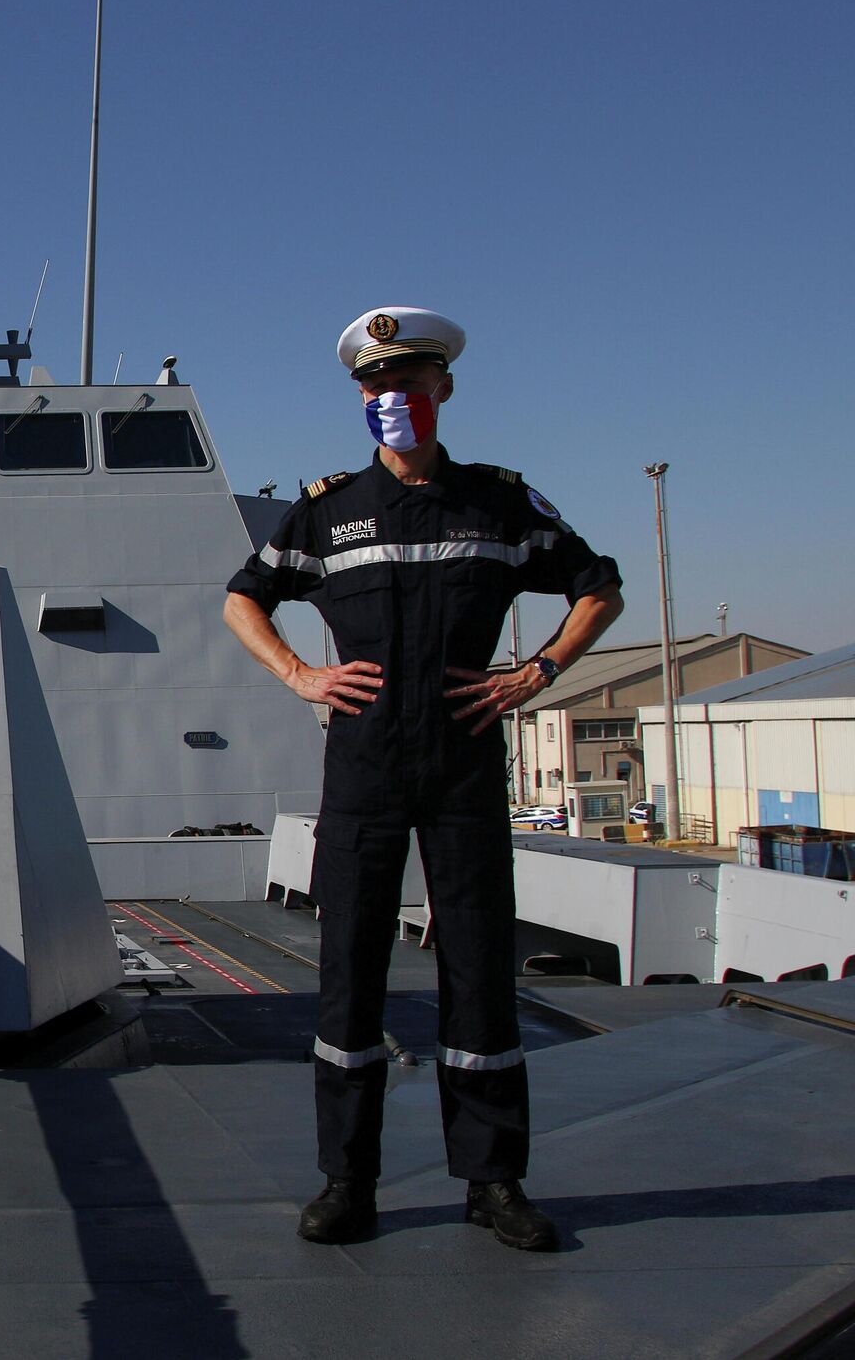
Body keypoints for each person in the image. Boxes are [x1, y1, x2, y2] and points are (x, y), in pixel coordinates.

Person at [223, 307, 623, 1250]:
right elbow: (245, 594)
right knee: (349, 975)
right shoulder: (326, 511)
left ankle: (494, 1181)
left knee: (479, 968)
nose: (390, 397)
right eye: (375, 385)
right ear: (360, 397)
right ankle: (347, 1180)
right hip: (361, 768)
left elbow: (598, 586)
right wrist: (300, 674)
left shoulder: (498, 504)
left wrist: (541, 671)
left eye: (408, 382)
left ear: (443, 390)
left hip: (464, 764)